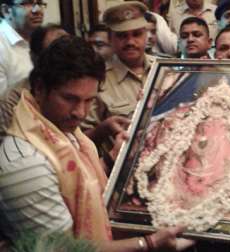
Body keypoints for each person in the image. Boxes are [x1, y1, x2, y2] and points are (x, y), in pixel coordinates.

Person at [0, 35, 194, 252]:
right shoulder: (26, 163)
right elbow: (66, 250)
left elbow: (80, 182)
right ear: (39, 88)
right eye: (70, 99)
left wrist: (112, 159)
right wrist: (149, 243)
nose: (80, 113)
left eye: (89, 100)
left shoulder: (59, 131)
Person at [0, 23, 68, 144]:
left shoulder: (81, 89)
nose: (67, 61)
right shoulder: (13, 102)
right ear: (34, 58)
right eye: (56, 55)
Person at [0, 0, 46, 94]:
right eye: (27, 3)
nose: (37, 10)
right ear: (6, 10)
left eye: (40, 3)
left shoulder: (44, 39)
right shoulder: (2, 46)